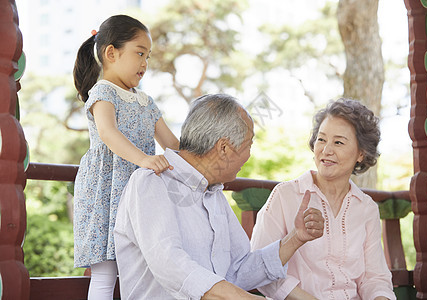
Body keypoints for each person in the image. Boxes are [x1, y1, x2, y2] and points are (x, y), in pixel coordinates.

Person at [114, 94, 325, 299]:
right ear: (223, 148)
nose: (249, 155)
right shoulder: (151, 182)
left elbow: (239, 270)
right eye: (248, 145)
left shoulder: (213, 195)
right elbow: (170, 264)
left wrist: (295, 238)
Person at [72, 15, 179, 299]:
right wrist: (144, 159)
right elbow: (108, 133)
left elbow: (172, 145)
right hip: (105, 192)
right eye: (139, 53)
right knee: (106, 273)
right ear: (111, 53)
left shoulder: (145, 101)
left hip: (140, 192)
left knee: (148, 266)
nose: (145, 63)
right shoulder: (103, 92)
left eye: (148, 56)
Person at [250, 98, 396, 300]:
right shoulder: (285, 196)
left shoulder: (366, 208)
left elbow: (375, 278)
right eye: (321, 139)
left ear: (361, 153)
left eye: (338, 142)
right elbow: (261, 271)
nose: (326, 150)